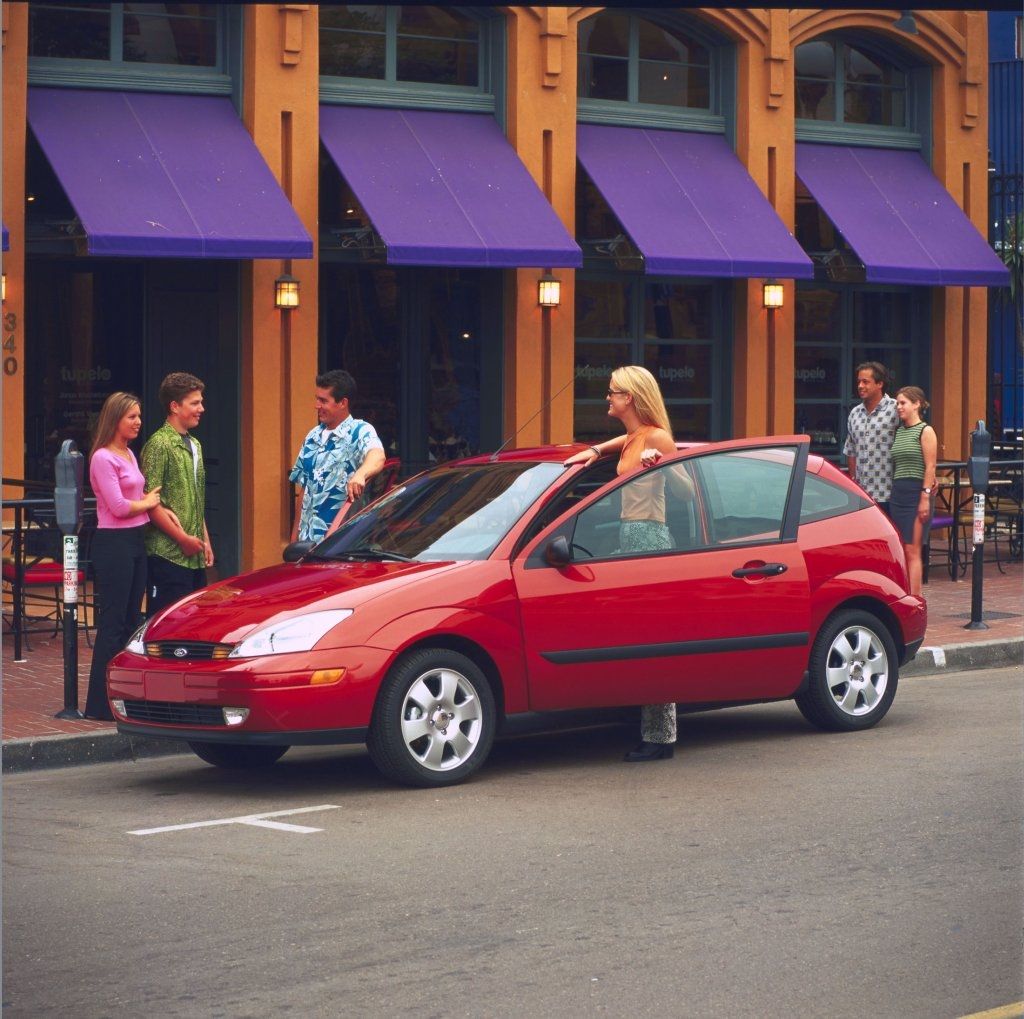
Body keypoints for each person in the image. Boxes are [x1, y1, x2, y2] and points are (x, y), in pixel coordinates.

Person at [564, 365, 680, 762]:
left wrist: (661, 465)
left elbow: (686, 486)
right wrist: (597, 450)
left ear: (629, 398)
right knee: (633, 635)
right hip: (629, 539)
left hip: (650, 538)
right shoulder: (634, 436)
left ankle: (661, 737)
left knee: (653, 639)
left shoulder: (657, 437)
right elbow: (626, 441)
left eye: (612, 391)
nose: (607, 397)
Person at [84, 392, 163, 720]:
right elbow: (117, 506)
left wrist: (146, 502)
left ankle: (125, 698)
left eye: (139, 416)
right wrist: (148, 503)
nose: (138, 422)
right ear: (115, 418)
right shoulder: (103, 457)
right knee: (113, 622)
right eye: (132, 416)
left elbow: (133, 496)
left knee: (132, 620)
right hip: (113, 543)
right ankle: (100, 705)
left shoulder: (128, 453)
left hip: (135, 540)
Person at [141, 372, 213, 617]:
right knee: (167, 622)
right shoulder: (159, 444)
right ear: (174, 406)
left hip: (194, 555)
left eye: (201, 402)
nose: (201, 408)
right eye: (195, 403)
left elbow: (197, 498)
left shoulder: (196, 445)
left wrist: (205, 540)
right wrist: (182, 539)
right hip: (167, 554)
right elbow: (150, 502)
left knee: (194, 622)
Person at [290, 369, 386, 543]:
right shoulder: (312, 437)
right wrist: (294, 541)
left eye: (323, 401)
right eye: (317, 399)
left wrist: (360, 474)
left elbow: (377, 456)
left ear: (343, 403)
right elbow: (304, 492)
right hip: (307, 545)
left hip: (341, 544)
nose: (317, 406)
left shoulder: (360, 431)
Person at [890, 386, 937, 598]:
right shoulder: (899, 431)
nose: (899, 407)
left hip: (916, 492)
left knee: (913, 549)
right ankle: (906, 595)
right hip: (898, 491)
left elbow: (930, 466)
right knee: (902, 547)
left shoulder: (925, 431)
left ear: (917, 404)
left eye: (903, 403)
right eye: (897, 403)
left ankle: (916, 598)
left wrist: (925, 495)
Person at [843, 361, 899, 515]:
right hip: (862, 495)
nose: (860, 386)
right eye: (858, 382)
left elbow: (915, 439)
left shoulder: (896, 409)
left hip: (890, 494)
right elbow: (851, 450)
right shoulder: (854, 413)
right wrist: (853, 483)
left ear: (880, 384)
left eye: (865, 382)